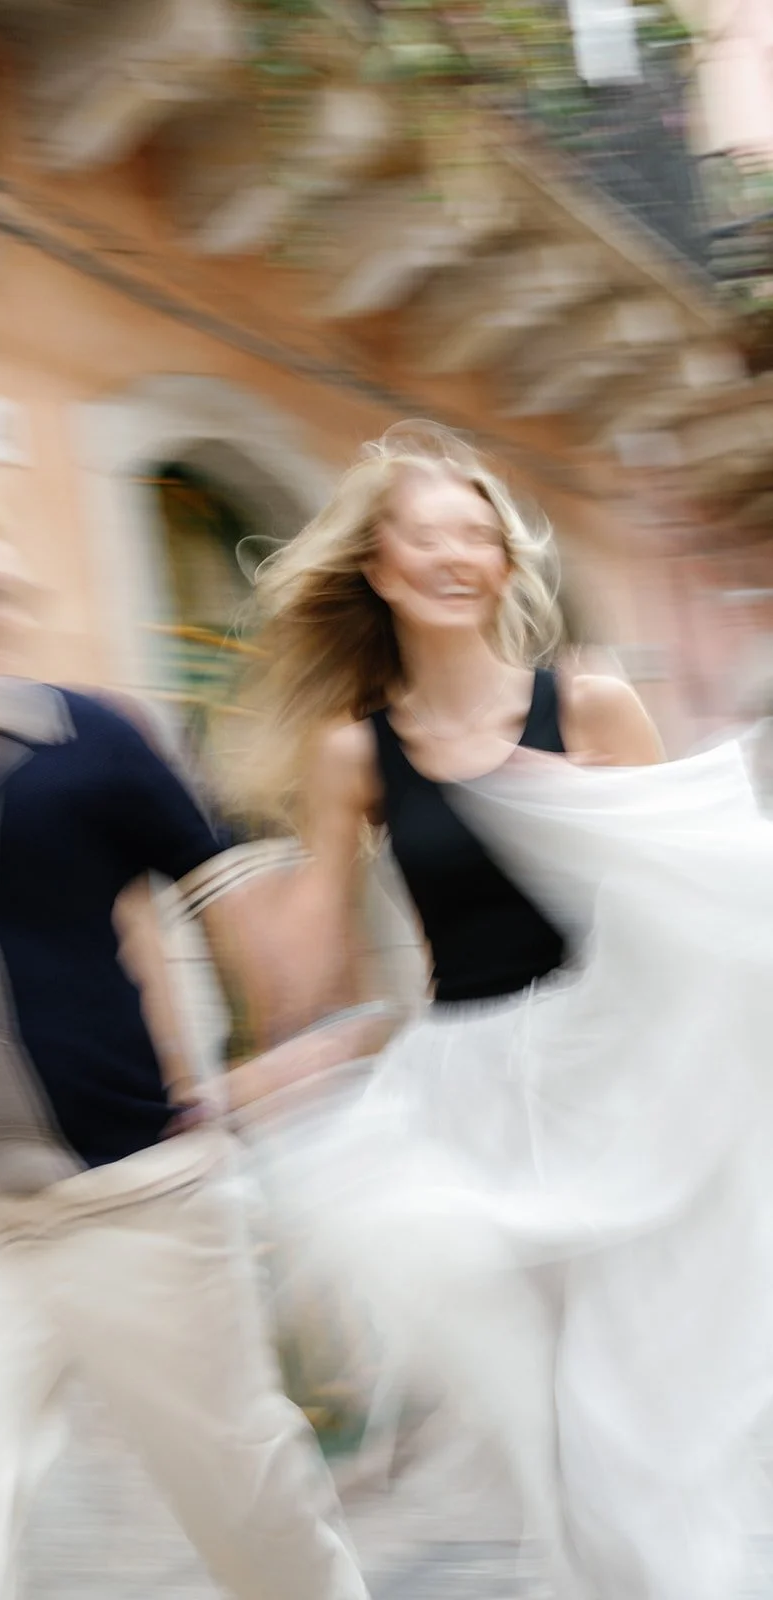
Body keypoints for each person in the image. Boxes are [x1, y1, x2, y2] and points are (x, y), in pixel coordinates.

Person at [0, 475, 370, 1600]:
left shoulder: (91, 735)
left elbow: (241, 912)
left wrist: (305, 1025)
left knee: (249, 1507)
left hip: (136, 1200)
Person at [219, 422, 773, 1599]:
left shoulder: (589, 706)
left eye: (477, 533)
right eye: (426, 534)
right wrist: (225, 903)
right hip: (461, 1090)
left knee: (631, 1417)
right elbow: (314, 962)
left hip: (611, 1082)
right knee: (544, 1426)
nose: (456, 552)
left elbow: (694, 894)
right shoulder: (351, 754)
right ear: (378, 565)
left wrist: (564, 809)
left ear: (504, 566)